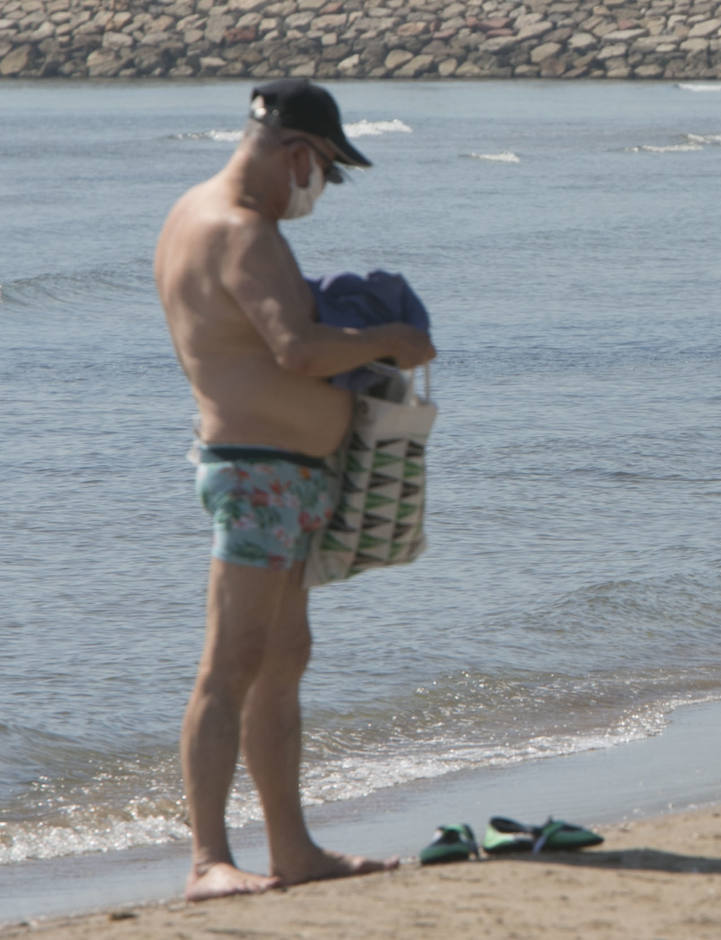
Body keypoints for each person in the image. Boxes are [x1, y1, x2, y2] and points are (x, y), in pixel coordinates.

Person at [154, 78, 436, 902]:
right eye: (324, 172)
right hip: (258, 471)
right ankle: (208, 859)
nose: (320, 189)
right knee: (232, 662)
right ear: (297, 154)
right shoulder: (243, 230)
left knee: (282, 659)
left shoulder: (193, 213)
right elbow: (295, 350)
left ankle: (293, 848)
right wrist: (396, 338)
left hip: (278, 469)